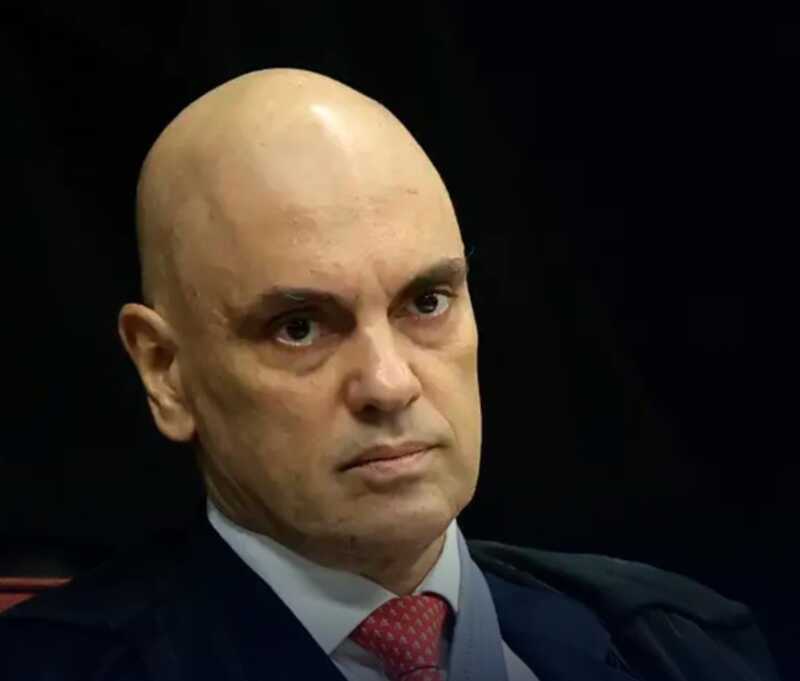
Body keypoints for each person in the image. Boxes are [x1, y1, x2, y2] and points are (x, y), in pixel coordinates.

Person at [0, 68, 782, 681]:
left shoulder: (682, 643)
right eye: (300, 326)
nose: (388, 382)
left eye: (426, 302)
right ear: (165, 370)